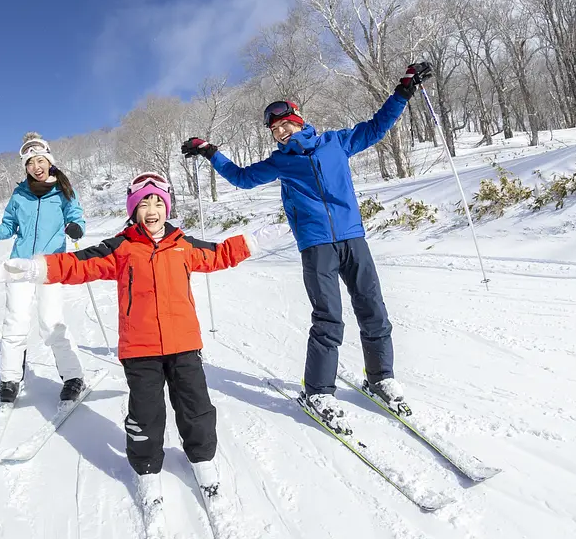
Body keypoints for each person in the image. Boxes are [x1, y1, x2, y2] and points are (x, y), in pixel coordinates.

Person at [180, 63, 433, 435]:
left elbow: (378, 126)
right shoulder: (280, 162)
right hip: (316, 246)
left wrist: (404, 91)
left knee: (373, 309)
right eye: (275, 129)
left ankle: (380, 378)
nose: (281, 132)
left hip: (352, 238)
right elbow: (242, 178)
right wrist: (211, 152)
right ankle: (318, 393)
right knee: (329, 317)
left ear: (299, 120)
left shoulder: (336, 143)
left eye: (286, 124)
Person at [0, 172, 256, 505]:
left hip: (185, 345)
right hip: (140, 348)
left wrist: (255, 240)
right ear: (133, 209)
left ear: (167, 207)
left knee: (197, 408)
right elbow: (78, 264)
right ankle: (146, 470)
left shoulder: (182, 245)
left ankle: (202, 460)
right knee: (146, 413)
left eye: (158, 201)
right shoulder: (122, 247)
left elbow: (219, 253)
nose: (152, 209)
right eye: (144, 202)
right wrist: (35, 269)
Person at [0, 132, 86, 403]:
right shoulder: (19, 194)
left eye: (40, 160)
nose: (36, 166)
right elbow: (10, 226)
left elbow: (76, 216)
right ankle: (10, 380)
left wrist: (76, 227)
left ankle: (73, 377)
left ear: (49, 161)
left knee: (51, 323)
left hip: (51, 265)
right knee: (15, 321)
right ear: (25, 167)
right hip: (20, 264)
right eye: (30, 162)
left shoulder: (63, 190)